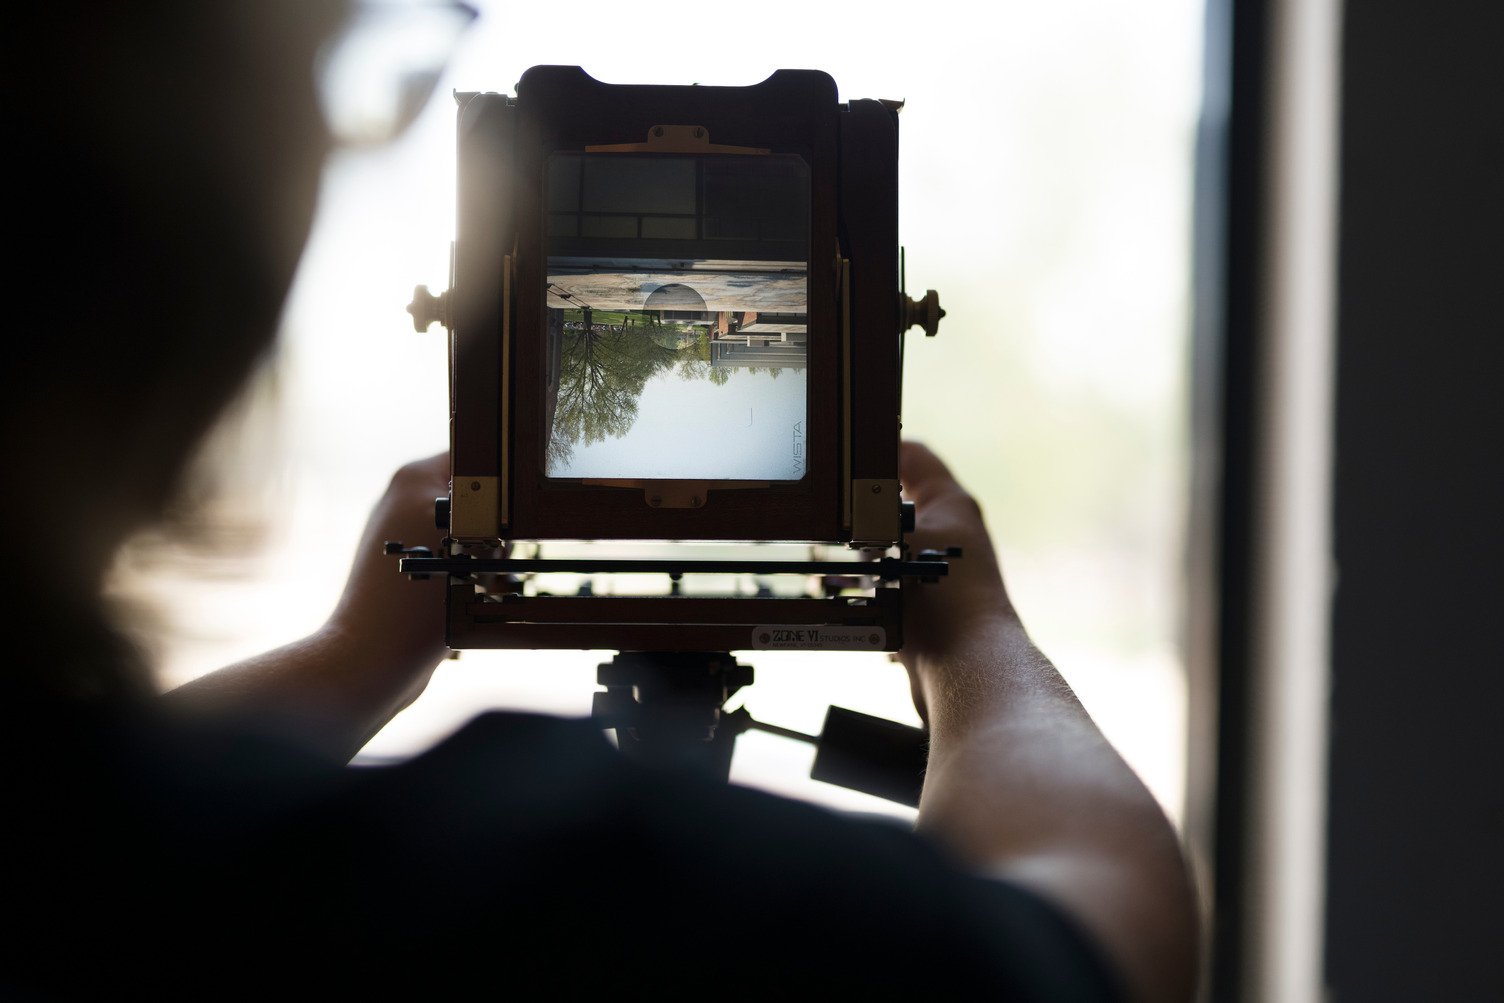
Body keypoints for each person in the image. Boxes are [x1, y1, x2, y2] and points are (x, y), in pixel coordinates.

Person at [4, 3, 1198, 999]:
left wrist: (351, 655)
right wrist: (973, 634)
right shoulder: (589, 892)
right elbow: (1105, 934)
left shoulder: (98, 883)